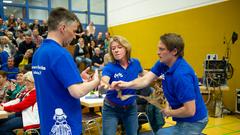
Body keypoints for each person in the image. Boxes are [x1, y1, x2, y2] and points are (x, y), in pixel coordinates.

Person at [112, 33, 208, 135]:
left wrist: (169, 112)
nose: (158, 52)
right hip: (183, 119)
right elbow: (145, 80)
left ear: (174, 51)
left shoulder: (181, 75)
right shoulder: (163, 63)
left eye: (162, 49)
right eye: (158, 48)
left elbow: (190, 111)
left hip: (195, 121)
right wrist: (126, 84)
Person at [32, 7, 100, 135]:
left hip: (47, 124)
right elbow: (77, 91)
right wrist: (96, 81)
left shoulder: (38, 53)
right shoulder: (61, 54)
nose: (74, 36)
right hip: (67, 126)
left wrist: (76, 78)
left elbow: (52, 81)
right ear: (63, 28)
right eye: (74, 31)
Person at [99, 35, 143, 135]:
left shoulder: (135, 63)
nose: (116, 50)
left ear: (126, 48)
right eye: (113, 48)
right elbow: (103, 87)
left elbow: (144, 74)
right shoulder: (109, 67)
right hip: (111, 109)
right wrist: (107, 87)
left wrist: (159, 76)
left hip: (130, 107)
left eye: (119, 47)